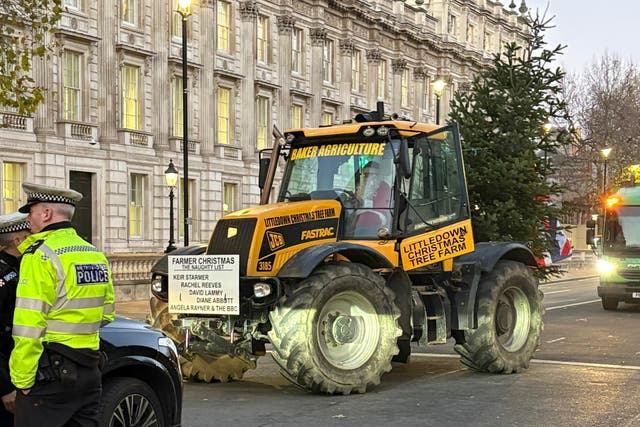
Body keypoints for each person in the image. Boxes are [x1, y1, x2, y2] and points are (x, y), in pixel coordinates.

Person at [10, 183, 115, 427]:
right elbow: (107, 313)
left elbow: (28, 326)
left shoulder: (40, 255)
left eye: (31, 212)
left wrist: (23, 382)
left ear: (46, 214)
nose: (28, 220)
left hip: (50, 375)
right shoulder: (93, 253)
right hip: (90, 369)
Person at [0, 212, 30, 425]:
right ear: (17, 241)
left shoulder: (22, 268)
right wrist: (5, 387)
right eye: (28, 235)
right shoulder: (5, 275)